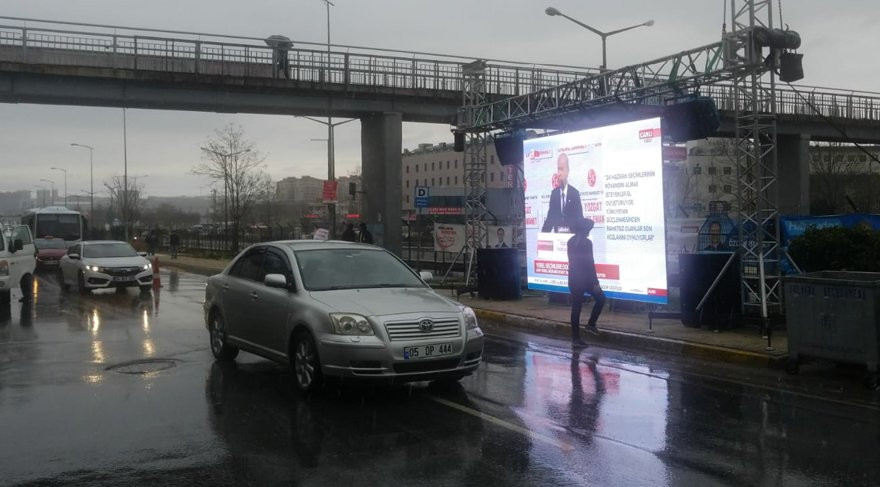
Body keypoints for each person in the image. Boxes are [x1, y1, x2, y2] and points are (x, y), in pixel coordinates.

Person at [567, 217, 605, 348]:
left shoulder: (571, 241)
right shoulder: (587, 243)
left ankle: (576, 338)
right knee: (601, 298)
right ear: (585, 230)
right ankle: (591, 324)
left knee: (576, 308)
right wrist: (596, 282)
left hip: (573, 279)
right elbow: (590, 264)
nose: (590, 231)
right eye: (589, 229)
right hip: (585, 280)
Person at [542, 153, 584, 233]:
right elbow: (550, 219)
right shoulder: (554, 194)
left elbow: (580, 219)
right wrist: (542, 236)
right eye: (558, 169)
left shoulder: (574, 194)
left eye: (562, 169)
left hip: (572, 240)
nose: (559, 173)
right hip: (558, 240)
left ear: (567, 171)